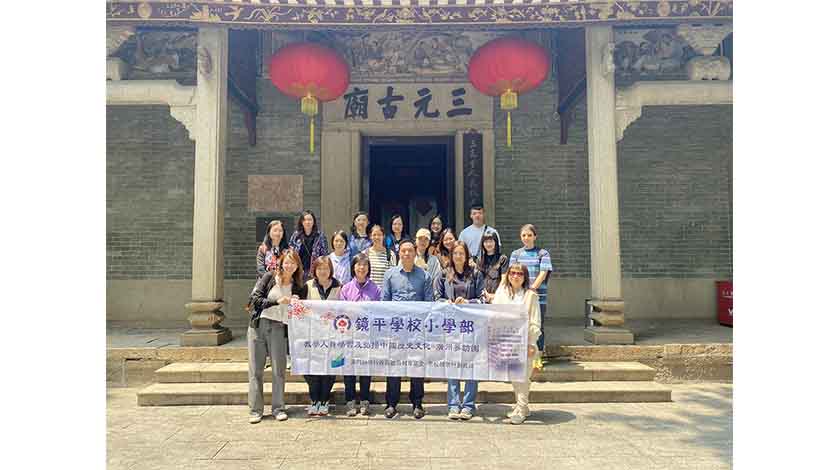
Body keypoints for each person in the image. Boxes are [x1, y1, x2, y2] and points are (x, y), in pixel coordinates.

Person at [247, 249, 308, 424]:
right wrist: (276, 301)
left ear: (297, 266)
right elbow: (255, 299)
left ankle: (278, 408)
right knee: (256, 370)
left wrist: (297, 302)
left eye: (293, 263)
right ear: (281, 263)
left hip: (280, 328)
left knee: (278, 370)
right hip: (259, 326)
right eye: (286, 262)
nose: (289, 266)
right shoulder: (269, 277)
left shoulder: (299, 286)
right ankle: (255, 410)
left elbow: (301, 311)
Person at [381, 240, 434, 419]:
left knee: (416, 366)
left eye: (410, 251)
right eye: (403, 251)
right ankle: (391, 403)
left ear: (415, 253)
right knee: (394, 366)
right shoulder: (390, 275)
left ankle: (417, 403)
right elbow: (385, 302)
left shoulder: (425, 276)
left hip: (416, 329)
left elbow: (429, 304)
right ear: (399, 253)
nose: (406, 254)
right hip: (396, 329)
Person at [435, 241, 485, 421]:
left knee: (471, 364)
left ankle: (469, 405)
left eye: (461, 253)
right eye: (455, 253)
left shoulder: (476, 274)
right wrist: (446, 303)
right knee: (453, 364)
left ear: (466, 255)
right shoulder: (444, 273)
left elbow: (482, 299)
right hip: (451, 326)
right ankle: (454, 404)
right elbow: (437, 297)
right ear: (451, 255)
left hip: (471, 325)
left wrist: (468, 302)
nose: (458, 256)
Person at [492, 263, 541, 425]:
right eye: (512, 273)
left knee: (523, 377)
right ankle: (522, 407)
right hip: (507, 342)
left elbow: (535, 322)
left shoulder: (530, 295)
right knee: (515, 377)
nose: (515, 276)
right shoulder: (502, 293)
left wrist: (531, 343)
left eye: (520, 274)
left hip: (525, 343)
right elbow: (494, 314)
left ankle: (521, 408)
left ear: (525, 277)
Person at [338, 253, 382, 417]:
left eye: (365, 265)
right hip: (349, 335)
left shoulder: (376, 289)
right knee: (349, 368)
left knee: (365, 369)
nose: (361, 268)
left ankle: (364, 400)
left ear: (369, 268)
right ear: (353, 268)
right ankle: (350, 401)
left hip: (367, 336)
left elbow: (378, 311)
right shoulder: (346, 288)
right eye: (358, 265)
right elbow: (342, 312)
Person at [303, 256, 340, 416]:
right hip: (312, 335)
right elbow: (301, 308)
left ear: (330, 270)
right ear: (315, 270)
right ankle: (314, 399)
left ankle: (324, 400)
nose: (323, 271)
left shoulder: (338, 287)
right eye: (319, 268)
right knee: (312, 368)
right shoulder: (308, 286)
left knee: (329, 368)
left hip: (332, 335)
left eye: (326, 268)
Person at [508, 224, 553, 352]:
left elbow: (543, 273)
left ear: (535, 237)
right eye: (524, 235)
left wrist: (532, 289)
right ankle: (520, 354)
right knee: (519, 325)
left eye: (529, 235)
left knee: (537, 326)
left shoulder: (543, 253)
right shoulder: (516, 254)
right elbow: (512, 274)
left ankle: (538, 355)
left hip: (538, 297)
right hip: (519, 297)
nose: (526, 238)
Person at [288, 210, 329, 281]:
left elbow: (324, 255)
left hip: (314, 272)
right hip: (298, 272)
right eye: (305, 220)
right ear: (301, 222)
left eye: (310, 219)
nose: (307, 222)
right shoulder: (296, 235)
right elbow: (291, 252)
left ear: (314, 221)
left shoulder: (320, 236)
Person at [476, 232, 509, 303]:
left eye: (491, 241)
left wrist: (496, 295)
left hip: (498, 297)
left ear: (496, 242)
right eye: (486, 242)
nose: (488, 244)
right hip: (483, 297)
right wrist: (485, 294)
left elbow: (504, 280)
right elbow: (478, 280)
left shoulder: (503, 259)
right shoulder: (479, 260)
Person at [363, 224, 395, 290]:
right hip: (368, 291)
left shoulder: (390, 254)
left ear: (383, 236)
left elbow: (393, 276)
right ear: (370, 236)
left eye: (379, 235)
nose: (377, 237)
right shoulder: (365, 254)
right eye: (374, 235)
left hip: (384, 292)